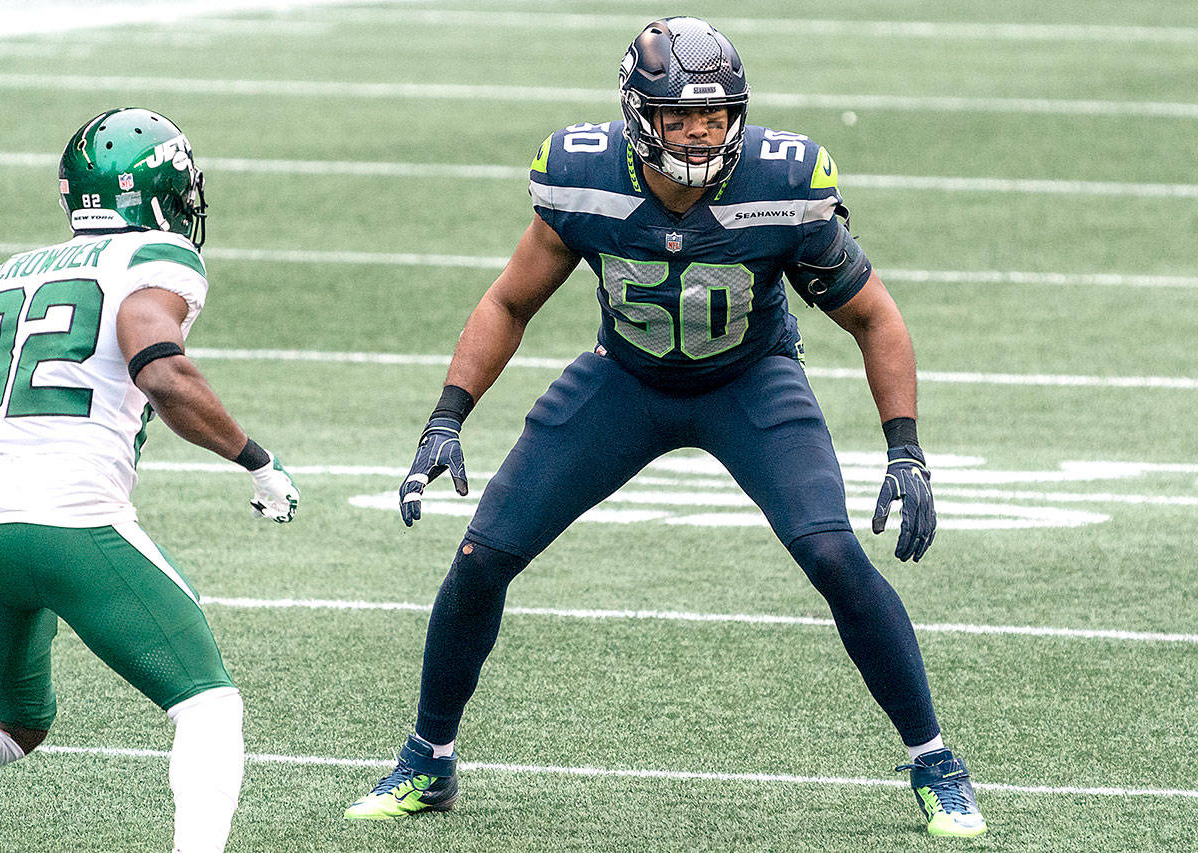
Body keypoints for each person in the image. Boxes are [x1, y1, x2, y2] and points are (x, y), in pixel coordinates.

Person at [343, 16, 985, 838]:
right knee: (481, 555)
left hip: (749, 382)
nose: (698, 132)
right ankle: (427, 760)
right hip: (624, 380)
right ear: (638, 116)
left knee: (831, 551)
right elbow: (510, 300)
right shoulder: (584, 176)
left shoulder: (778, 186)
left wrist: (907, 449)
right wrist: (446, 418)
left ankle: (936, 762)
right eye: (678, 116)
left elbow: (875, 318)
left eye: (713, 116)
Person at [0, 108, 300, 853]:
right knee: (208, 701)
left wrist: (0, 493)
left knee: (11, 723)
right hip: (76, 514)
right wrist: (255, 458)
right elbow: (160, 368)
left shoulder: (11, 274)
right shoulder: (155, 258)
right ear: (157, 191)